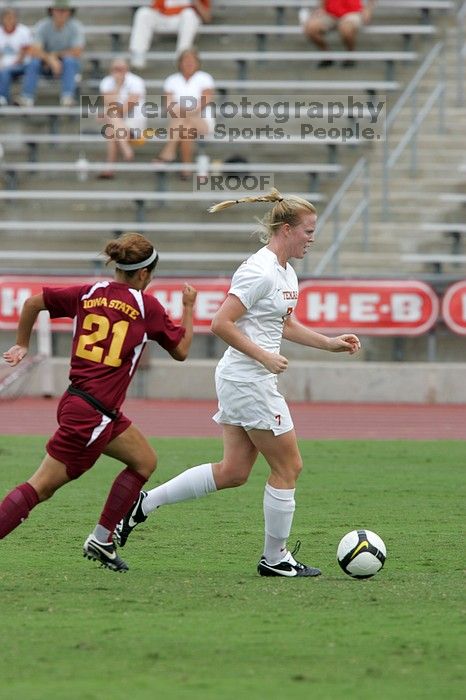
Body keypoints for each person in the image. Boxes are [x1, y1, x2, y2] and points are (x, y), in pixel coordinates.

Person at [115, 189, 362, 578]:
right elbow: (220, 323)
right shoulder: (258, 270)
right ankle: (275, 558)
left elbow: (286, 323)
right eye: (308, 231)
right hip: (249, 379)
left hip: (244, 377)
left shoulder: (285, 271)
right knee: (289, 466)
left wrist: (328, 342)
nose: (313, 237)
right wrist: (263, 356)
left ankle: (142, 504)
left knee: (233, 472)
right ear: (285, 229)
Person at [0, 233, 197, 573]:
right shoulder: (144, 306)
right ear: (145, 274)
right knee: (40, 487)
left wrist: (21, 344)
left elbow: (33, 302)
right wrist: (190, 309)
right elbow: (181, 351)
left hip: (84, 404)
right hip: (93, 416)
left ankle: (102, 540)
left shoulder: (89, 293)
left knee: (144, 461)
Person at [155, 48, 215, 180]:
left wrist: (183, 110)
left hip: (202, 121)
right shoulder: (172, 80)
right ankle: (185, 169)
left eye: (192, 60)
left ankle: (168, 152)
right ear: (180, 63)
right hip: (181, 123)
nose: (189, 63)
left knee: (185, 119)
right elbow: (169, 105)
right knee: (186, 129)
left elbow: (203, 102)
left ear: (197, 62)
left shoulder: (205, 78)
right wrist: (184, 110)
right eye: (185, 60)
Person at [17, 0, 85, 107]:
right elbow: (35, 50)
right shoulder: (43, 25)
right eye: (58, 10)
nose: (61, 13)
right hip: (46, 64)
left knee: (70, 61)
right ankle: (27, 97)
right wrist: (50, 59)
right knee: (33, 63)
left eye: (64, 10)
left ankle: (67, 97)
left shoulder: (75, 26)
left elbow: (77, 51)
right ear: (52, 11)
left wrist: (54, 57)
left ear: (69, 12)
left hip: (67, 65)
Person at [98, 58, 147, 179]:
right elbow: (111, 105)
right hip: (118, 124)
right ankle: (125, 150)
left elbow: (126, 109)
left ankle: (110, 167)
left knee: (111, 122)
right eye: (116, 69)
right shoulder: (107, 82)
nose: (118, 72)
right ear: (111, 70)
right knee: (112, 126)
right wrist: (118, 86)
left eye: (121, 69)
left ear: (127, 70)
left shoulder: (136, 81)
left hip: (135, 123)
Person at [130, 0, 211, 70]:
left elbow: (207, 18)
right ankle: (138, 57)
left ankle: (182, 58)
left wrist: (196, 2)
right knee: (143, 12)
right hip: (166, 19)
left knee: (189, 14)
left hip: (188, 22)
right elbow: (156, 8)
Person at [301, 0, 376, 68]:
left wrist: (368, 9)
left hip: (353, 12)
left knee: (346, 29)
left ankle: (351, 56)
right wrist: (321, 8)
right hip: (330, 12)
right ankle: (327, 56)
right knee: (310, 28)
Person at [0, 7, 32, 106]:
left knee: (5, 71)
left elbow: (26, 51)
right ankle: (3, 98)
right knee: (4, 70)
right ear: (2, 19)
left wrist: (12, 63)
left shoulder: (24, 31)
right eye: (7, 17)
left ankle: (4, 97)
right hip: (4, 64)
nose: (9, 20)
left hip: (22, 64)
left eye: (12, 17)